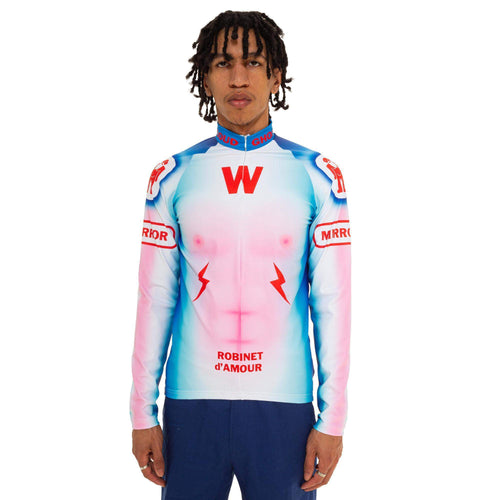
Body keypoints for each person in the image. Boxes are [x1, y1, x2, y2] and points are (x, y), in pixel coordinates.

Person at [129, 10, 351, 500]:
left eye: (252, 62)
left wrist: (332, 419)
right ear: (204, 76)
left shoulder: (318, 175)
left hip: (284, 407)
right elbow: (155, 298)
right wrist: (141, 413)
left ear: (276, 75)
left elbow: (332, 303)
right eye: (223, 63)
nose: (238, 78)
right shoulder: (171, 176)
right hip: (191, 404)